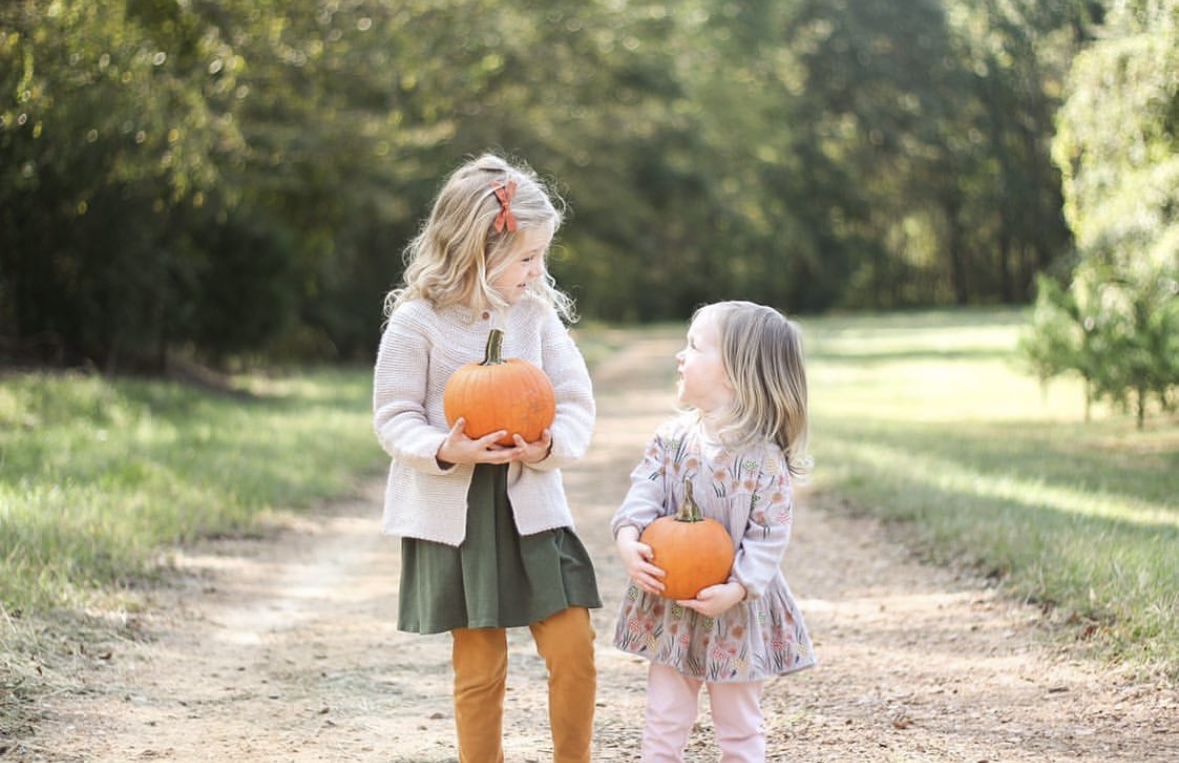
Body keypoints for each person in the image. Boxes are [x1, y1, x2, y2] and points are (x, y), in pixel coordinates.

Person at [373, 153, 601, 763]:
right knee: (479, 667)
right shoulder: (417, 322)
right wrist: (443, 447)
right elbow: (394, 417)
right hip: (459, 515)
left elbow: (577, 401)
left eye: (541, 256)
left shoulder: (535, 316)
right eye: (527, 257)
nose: (537, 269)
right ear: (479, 250)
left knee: (573, 645)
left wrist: (549, 443)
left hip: (530, 504)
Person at [611, 300, 816, 762]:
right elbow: (641, 495)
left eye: (694, 346)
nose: (680, 356)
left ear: (734, 373)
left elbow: (769, 535)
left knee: (739, 725)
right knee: (664, 717)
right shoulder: (671, 440)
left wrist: (739, 587)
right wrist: (629, 538)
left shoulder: (764, 460)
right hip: (672, 605)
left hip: (735, 613)